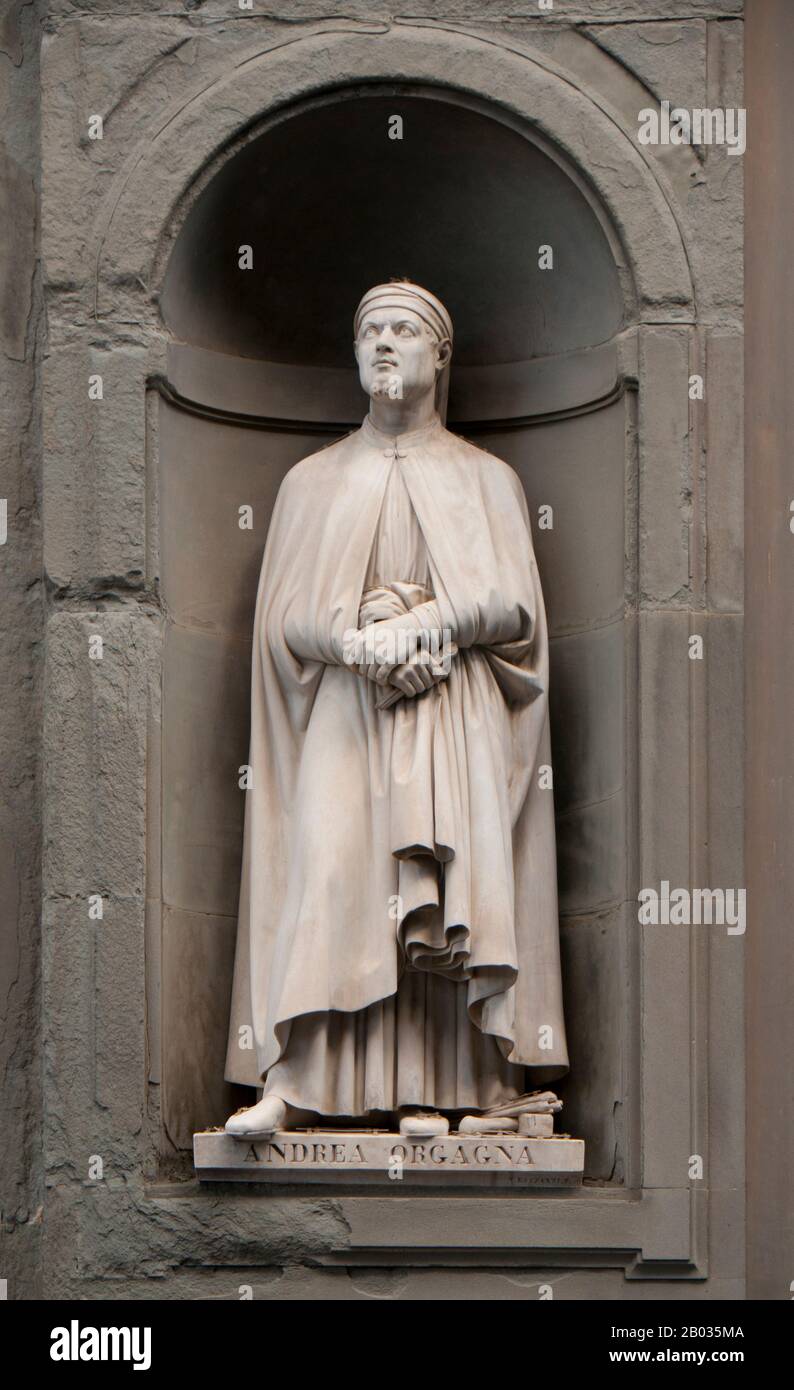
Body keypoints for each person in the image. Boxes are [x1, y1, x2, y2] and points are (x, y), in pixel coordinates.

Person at [224, 280, 568, 1138]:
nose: (383, 342)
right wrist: (362, 644)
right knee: (331, 874)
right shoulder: (312, 481)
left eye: (404, 330)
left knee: (444, 882)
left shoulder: (486, 479)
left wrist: (425, 625)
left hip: (454, 708)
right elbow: (284, 622)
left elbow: (515, 608)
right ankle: (298, 1082)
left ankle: (439, 1090)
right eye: (370, 329)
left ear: (439, 355)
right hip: (348, 707)